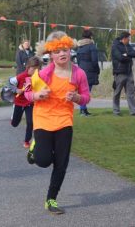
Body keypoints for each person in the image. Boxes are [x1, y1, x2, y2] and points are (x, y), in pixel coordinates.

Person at [24, 31, 90, 214]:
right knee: (44, 161)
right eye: (57, 51)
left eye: (65, 50)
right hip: (43, 118)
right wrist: (37, 95)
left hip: (64, 120)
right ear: (50, 54)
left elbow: (86, 98)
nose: (62, 54)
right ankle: (35, 147)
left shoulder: (79, 74)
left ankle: (51, 199)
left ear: (70, 51)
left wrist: (77, 97)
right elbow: (26, 93)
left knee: (62, 163)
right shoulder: (43, 73)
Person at [9, 56, 42, 148]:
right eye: (33, 69)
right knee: (15, 123)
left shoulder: (38, 77)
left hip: (30, 103)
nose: (35, 71)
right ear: (28, 67)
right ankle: (13, 120)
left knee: (30, 122)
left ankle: (27, 140)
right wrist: (16, 90)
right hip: (19, 102)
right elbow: (10, 83)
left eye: (37, 69)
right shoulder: (21, 76)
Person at [111, 31, 135, 116]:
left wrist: (127, 54)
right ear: (124, 38)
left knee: (130, 92)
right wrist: (129, 57)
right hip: (119, 73)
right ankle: (116, 111)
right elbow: (120, 58)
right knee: (117, 93)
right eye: (128, 38)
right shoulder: (115, 46)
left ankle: (133, 111)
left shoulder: (128, 46)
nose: (129, 40)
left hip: (129, 72)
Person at [76, 29, 100, 116]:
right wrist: (97, 70)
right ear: (91, 37)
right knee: (86, 91)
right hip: (90, 71)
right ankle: (83, 110)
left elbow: (78, 61)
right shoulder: (92, 46)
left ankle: (83, 109)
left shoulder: (80, 47)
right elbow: (94, 61)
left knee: (82, 90)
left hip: (81, 70)